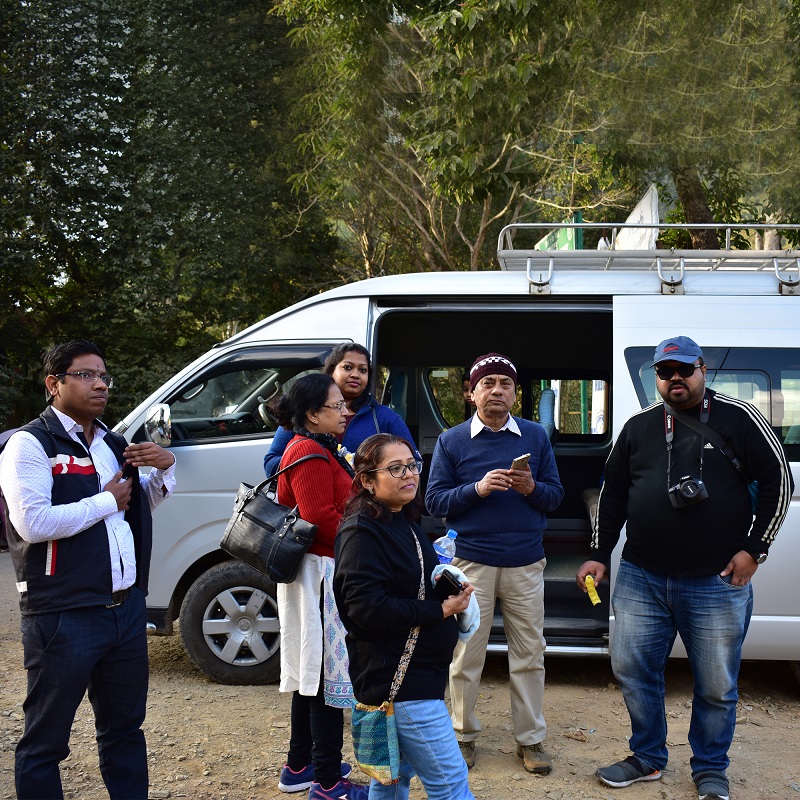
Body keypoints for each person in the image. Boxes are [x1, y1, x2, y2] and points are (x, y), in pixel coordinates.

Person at [576, 336, 793, 800]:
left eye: (684, 369)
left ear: (702, 369)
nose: (675, 378)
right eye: (665, 371)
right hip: (641, 577)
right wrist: (598, 552)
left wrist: (755, 550)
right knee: (633, 670)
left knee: (715, 684)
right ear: (656, 376)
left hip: (717, 581)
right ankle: (647, 757)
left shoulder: (739, 417)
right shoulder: (637, 427)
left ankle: (710, 767)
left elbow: (780, 481)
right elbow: (612, 495)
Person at [0, 340, 176, 800]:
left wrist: (165, 470)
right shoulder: (29, 444)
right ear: (53, 384)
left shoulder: (112, 443)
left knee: (125, 732)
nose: (100, 384)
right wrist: (104, 501)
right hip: (63, 613)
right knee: (46, 742)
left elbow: (132, 510)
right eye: (85, 375)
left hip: (125, 609)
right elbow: (32, 523)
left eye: (103, 376)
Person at [425, 352, 564, 774]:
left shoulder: (535, 436)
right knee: (466, 653)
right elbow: (434, 502)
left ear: (515, 394)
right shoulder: (451, 441)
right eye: (488, 383)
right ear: (471, 393)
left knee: (530, 654)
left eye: (505, 383)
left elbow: (555, 497)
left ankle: (531, 740)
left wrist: (531, 487)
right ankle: (463, 736)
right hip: (470, 563)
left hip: (525, 561)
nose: (497, 390)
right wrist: (478, 489)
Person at [335, 433, 476, 800]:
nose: (409, 474)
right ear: (368, 480)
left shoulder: (402, 520)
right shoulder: (362, 532)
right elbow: (365, 609)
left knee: (391, 781)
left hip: (416, 678)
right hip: (400, 686)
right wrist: (440, 609)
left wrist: (447, 590)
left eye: (412, 465)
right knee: (450, 784)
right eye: (395, 469)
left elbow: (409, 587)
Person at [272, 372, 368, 800]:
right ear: (312, 414)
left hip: (317, 573)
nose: (346, 411)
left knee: (311, 674)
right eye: (336, 405)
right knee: (327, 679)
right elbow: (319, 517)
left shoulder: (315, 446)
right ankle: (328, 783)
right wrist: (366, 539)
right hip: (320, 575)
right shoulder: (309, 450)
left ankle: (300, 766)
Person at [264, 343, 417, 477]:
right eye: (347, 367)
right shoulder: (305, 410)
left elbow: (413, 463)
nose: (355, 375)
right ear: (332, 370)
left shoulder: (385, 418)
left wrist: (373, 469)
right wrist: (318, 462)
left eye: (363, 370)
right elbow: (271, 463)